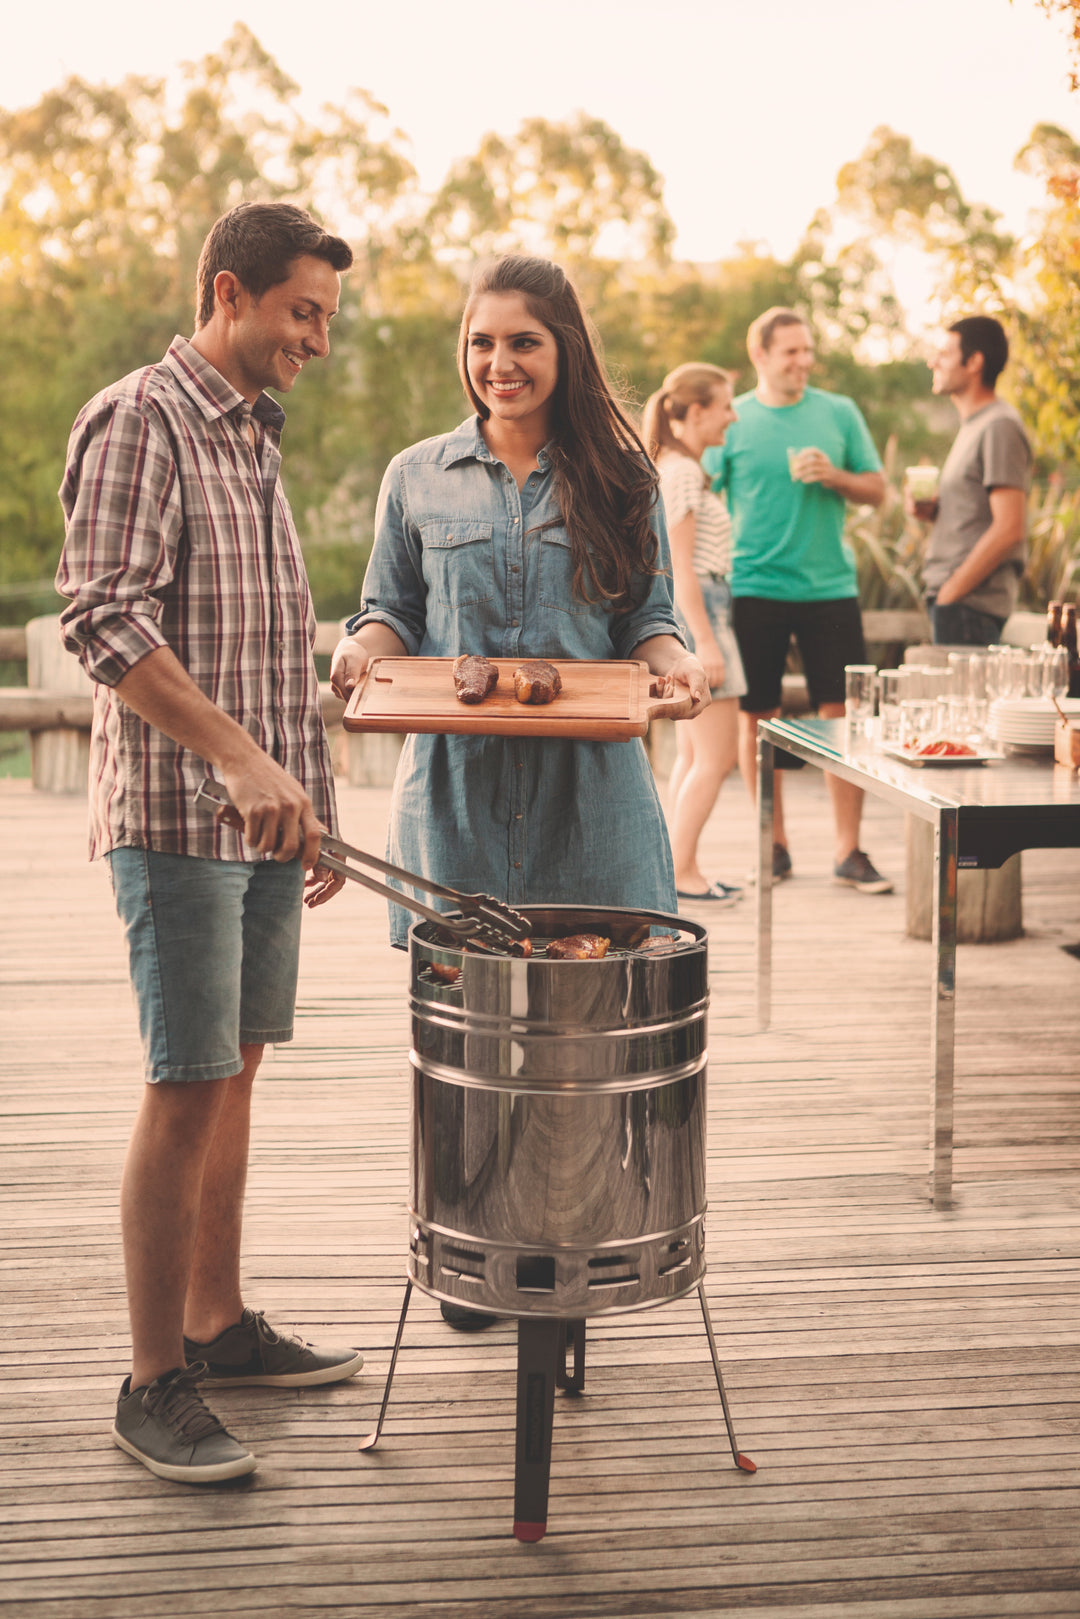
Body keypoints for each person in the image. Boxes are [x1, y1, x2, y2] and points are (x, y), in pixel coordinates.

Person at [330, 255, 709, 1325]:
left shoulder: (621, 475)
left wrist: (673, 664)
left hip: (589, 795)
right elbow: (388, 608)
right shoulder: (416, 474)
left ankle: (566, 1252)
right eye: (483, 341)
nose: (499, 362)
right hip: (450, 795)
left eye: (524, 342)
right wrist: (362, 651)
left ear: (564, 350)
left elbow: (646, 615)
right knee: (463, 1035)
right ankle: (478, 1246)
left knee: (581, 1038)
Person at [56, 202, 364, 1486]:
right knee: (185, 1083)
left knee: (235, 1069)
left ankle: (218, 1324)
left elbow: (275, 638)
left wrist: (317, 799)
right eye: (303, 313)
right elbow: (103, 620)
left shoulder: (252, 438)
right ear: (226, 292)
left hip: (262, 824)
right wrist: (236, 759)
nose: (317, 340)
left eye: (327, 321)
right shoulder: (142, 416)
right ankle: (150, 1381)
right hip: (181, 822)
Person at [702, 307, 893, 895]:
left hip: (830, 590)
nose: (803, 361)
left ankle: (848, 850)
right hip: (753, 588)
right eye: (791, 351)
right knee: (756, 719)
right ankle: (773, 847)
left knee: (845, 718)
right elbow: (699, 495)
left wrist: (835, 476)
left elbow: (878, 490)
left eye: (808, 350)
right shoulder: (734, 421)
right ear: (760, 355)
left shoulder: (839, 412)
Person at [642, 363, 746, 904]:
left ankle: (677, 866)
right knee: (715, 755)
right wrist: (705, 644)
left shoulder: (680, 466)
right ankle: (681, 873)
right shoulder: (681, 471)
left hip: (705, 607)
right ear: (696, 411)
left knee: (691, 755)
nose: (732, 416)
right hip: (702, 611)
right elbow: (679, 568)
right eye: (725, 405)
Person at [915, 317, 1031, 646]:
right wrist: (934, 511)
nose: (932, 361)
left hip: (969, 605)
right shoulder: (974, 426)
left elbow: (1010, 527)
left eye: (944, 353)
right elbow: (977, 513)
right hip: (958, 604)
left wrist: (951, 593)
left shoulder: (999, 425)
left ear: (974, 361)